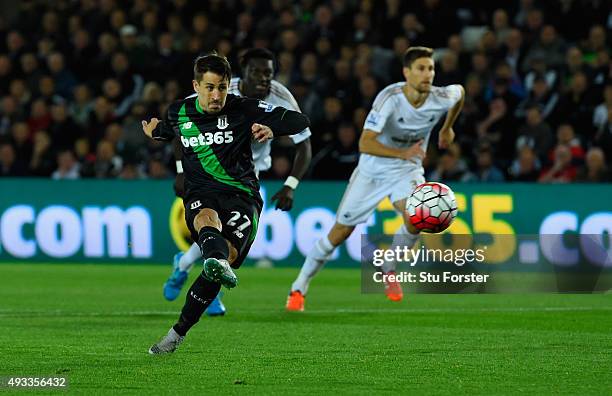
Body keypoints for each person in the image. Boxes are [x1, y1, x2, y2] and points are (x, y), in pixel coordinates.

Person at [143, 54, 309, 354]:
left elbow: (300, 121)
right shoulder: (178, 111)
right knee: (206, 220)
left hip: (242, 195)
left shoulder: (244, 107)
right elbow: (169, 132)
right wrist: (154, 131)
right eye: (209, 87)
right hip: (202, 193)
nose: (216, 95)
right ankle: (206, 278)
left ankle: (178, 331)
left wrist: (273, 128)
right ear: (196, 85)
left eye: (221, 87)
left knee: (223, 259)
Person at [285, 46, 464, 311]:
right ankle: (299, 287)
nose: (428, 74)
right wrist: (403, 152)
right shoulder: (389, 98)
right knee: (340, 232)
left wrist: (447, 128)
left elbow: (460, 92)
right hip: (373, 169)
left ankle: (388, 266)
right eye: (421, 69)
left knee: (417, 216)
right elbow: (365, 143)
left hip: (407, 170)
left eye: (431, 69)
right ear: (407, 72)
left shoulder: (440, 96)